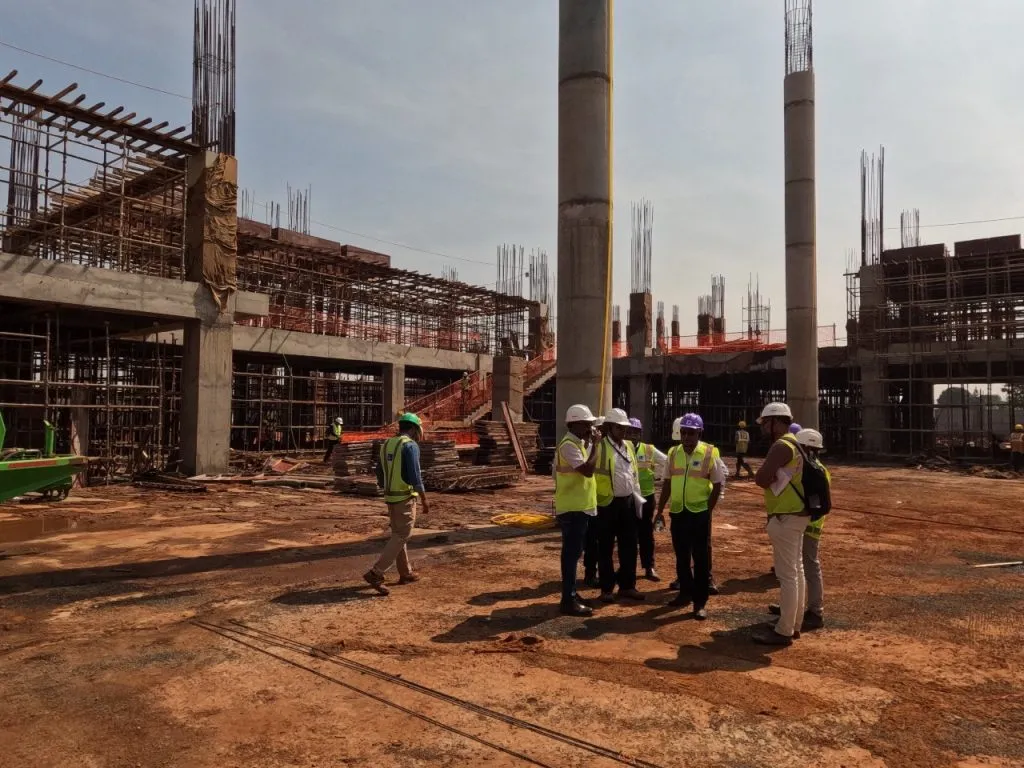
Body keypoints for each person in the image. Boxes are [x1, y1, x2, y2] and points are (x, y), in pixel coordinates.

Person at [655, 413, 724, 620]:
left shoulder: (710, 452)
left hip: (699, 514)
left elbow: (718, 484)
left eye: (691, 433)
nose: (686, 437)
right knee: (682, 557)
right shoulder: (673, 452)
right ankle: (684, 593)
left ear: (699, 433)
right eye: (684, 433)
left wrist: (708, 510)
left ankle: (700, 602)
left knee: (701, 559)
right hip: (678, 513)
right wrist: (659, 511)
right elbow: (667, 483)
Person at [751, 402, 809, 646]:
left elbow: (761, 479)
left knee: (787, 576)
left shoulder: (781, 446)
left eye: (765, 422)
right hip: (797, 514)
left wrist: (765, 475)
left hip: (785, 515)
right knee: (796, 572)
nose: (763, 427)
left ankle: (784, 630)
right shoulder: (796, 444)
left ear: (776, 422)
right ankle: (793, 624)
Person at [769, 428, 828, 633]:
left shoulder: (811, 468)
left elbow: (818, 500)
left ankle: (814, 611)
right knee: (799, 570)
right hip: (807, 521)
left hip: (808, 523)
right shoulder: (813, 466)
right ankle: (795, 612)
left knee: (802, 569)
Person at [364, 412, 430, 595]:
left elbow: (379, 472)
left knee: (399, 534)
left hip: (390, 497)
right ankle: (376, 573)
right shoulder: (410, 446)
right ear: (414, 429)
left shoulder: (387, 444)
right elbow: (416, 476)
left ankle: (405, 572)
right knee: (402, 535)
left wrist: (387, 487)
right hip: (405, 497)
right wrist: (424, 499)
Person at [593, 408, 645, 603]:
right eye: (619, 427)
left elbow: (634, 474)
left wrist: (638, 499)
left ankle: (627, 586)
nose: (623, 431)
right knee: (605, 548)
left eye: (625, 427)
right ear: (609, 427)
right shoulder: (600, 447)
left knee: (630, 546)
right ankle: (606, 589)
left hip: (628, 502)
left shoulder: (629, 447)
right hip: (607, 503)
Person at [554, 404, 601, 616]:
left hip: (581, 507)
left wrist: (591, 443)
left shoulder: (578, 443)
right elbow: (588, 471)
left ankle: (571, 593)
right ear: (575, 424)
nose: (590, 428)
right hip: (572, 508)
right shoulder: (568, 445)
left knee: (576, 553)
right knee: (571, 555)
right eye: (587, 424)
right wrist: (597, 446)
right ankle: (568, 600)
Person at [627, 417, 667, 581]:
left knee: (646, 534)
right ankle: (627, 569)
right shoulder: (620, 448)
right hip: (628, 497)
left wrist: (657, 476)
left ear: (640, 434)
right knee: (628, 535)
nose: (632, 436)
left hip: (646, 497)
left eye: (635, 432)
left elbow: (667, 461)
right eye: (629, 432)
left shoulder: (649, 449)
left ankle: (649, 567)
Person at [582, 416, 608, 587]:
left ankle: (601, 572)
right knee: (592, 541)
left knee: (603, 541)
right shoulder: (590, 448)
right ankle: (590, 573)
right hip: (592, 501)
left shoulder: (613, 449)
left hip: (607, 501)